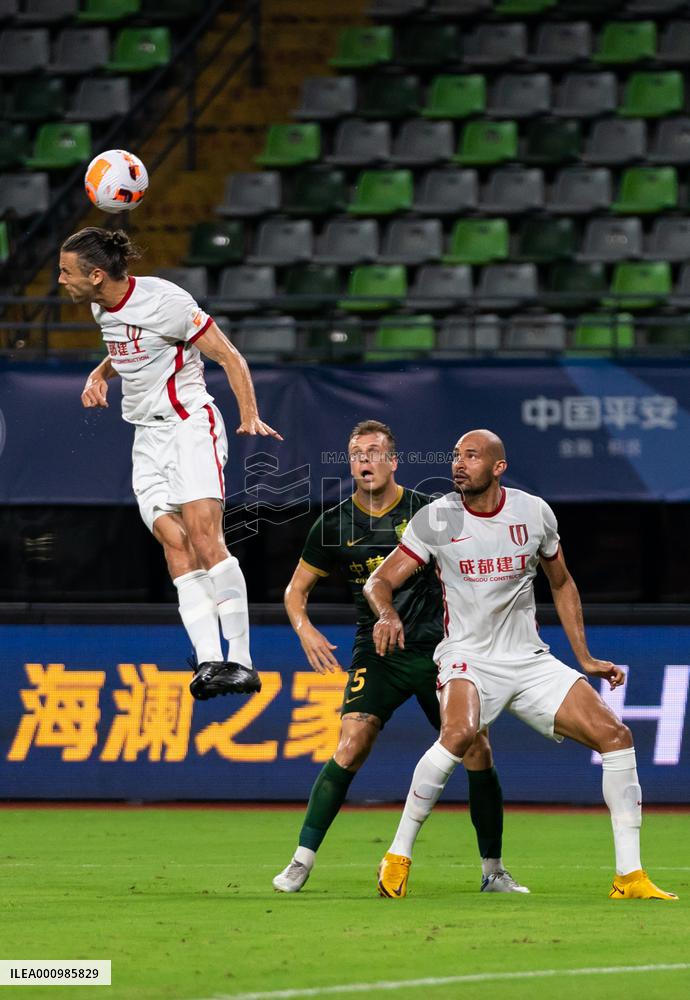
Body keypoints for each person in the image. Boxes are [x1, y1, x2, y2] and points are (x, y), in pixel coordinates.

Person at [364, 428, 678, 901]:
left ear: (498, 467)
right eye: (455, 456)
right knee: (458, 735)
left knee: (616, 736)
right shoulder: (437, 518)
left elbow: (563, 581)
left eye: (471, 456)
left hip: (529, 660)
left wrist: (585, 657)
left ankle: (629, 877)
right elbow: (379, 582)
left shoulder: (533, 513)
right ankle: (397, 856)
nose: (459, 464)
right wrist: (386, 613)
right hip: (466, 656)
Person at [273, 420, 527, 895]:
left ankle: (493, 870)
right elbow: (295, 591)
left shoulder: (430, 513)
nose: (364, 460)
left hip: (440, 651)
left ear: (393, 461)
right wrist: (304, 629)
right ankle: (300, 861)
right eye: (356, 453)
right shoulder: (333, 524)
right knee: (351, 745)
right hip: (378, 652)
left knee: (477, 749)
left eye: (373, 452)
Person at [59, 227, 282, 699]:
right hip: (146, 436)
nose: (60, 280)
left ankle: (241, 660)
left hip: (188, 426)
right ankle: (208, 662)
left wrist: (250, 415)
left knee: (204, 536)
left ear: (96, 275)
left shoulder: (168, 302)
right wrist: (100, 372)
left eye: (66, 271)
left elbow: (230, 356)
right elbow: (128, 348)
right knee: (174, 542)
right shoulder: (101, 307)